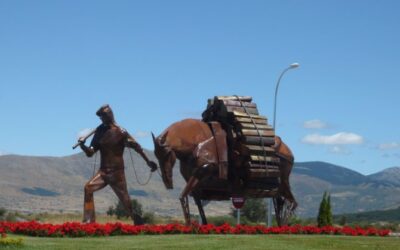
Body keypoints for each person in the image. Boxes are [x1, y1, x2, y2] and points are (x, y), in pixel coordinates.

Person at [78, 104, 157, 224]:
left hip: (117, 173)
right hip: (103, 172)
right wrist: (83, 146)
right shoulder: (99, 132)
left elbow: (137, 147)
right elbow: (91, 152)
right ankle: (89, 221)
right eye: (105, 115)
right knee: (88, 188)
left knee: (125, 200)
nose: (108, 116)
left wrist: (148, 161)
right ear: (102, 118)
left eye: (109, 113)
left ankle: (138, 221)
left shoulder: (121, 131)